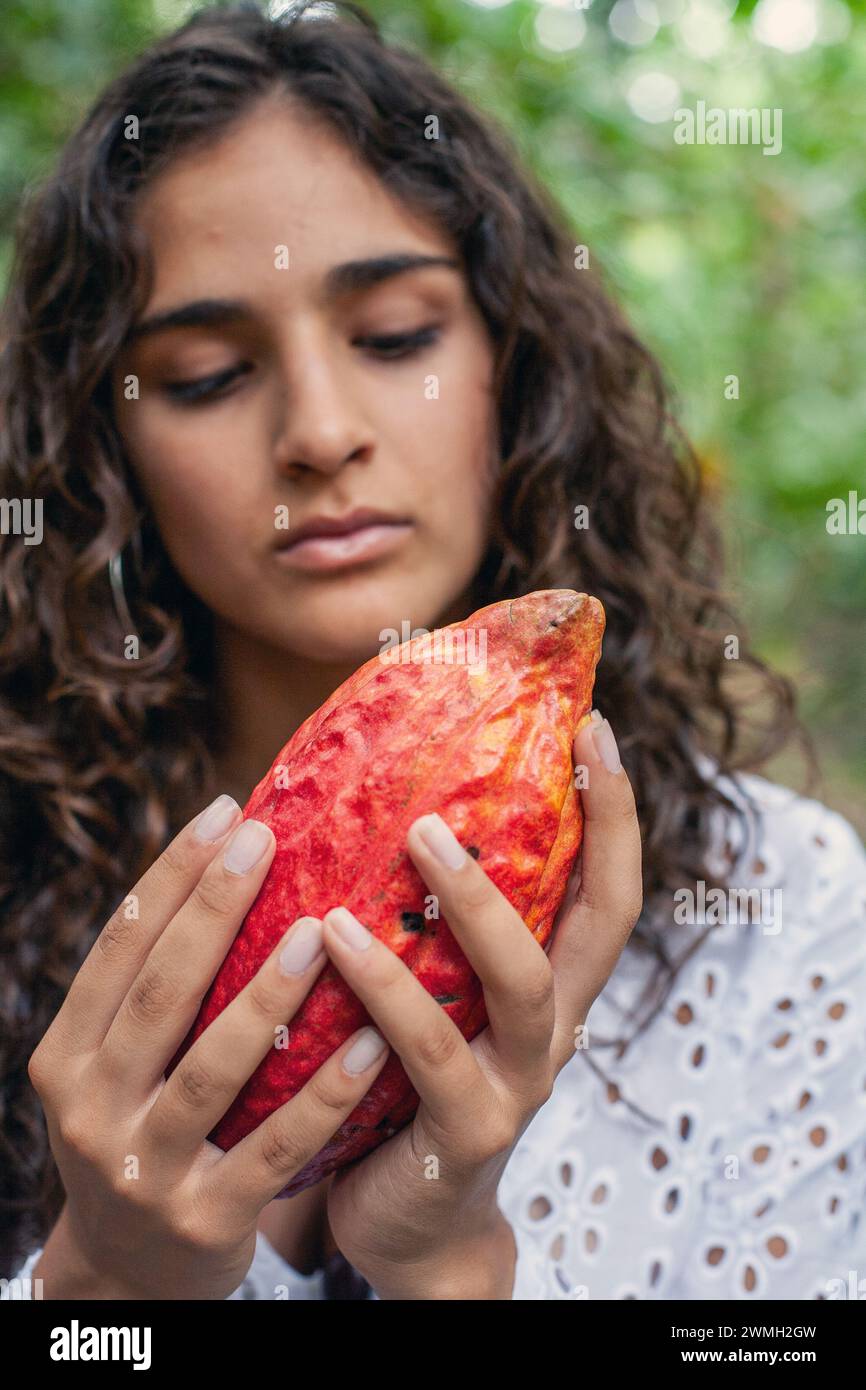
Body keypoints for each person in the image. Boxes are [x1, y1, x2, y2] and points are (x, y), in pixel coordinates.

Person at [1, 0, 864, 1302]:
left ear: (512, 366)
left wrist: (446, 1269)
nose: (321, 431)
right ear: (101, 448)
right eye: (203, 374)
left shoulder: (773, 914)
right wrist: (103, 1289)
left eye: (395, 336)